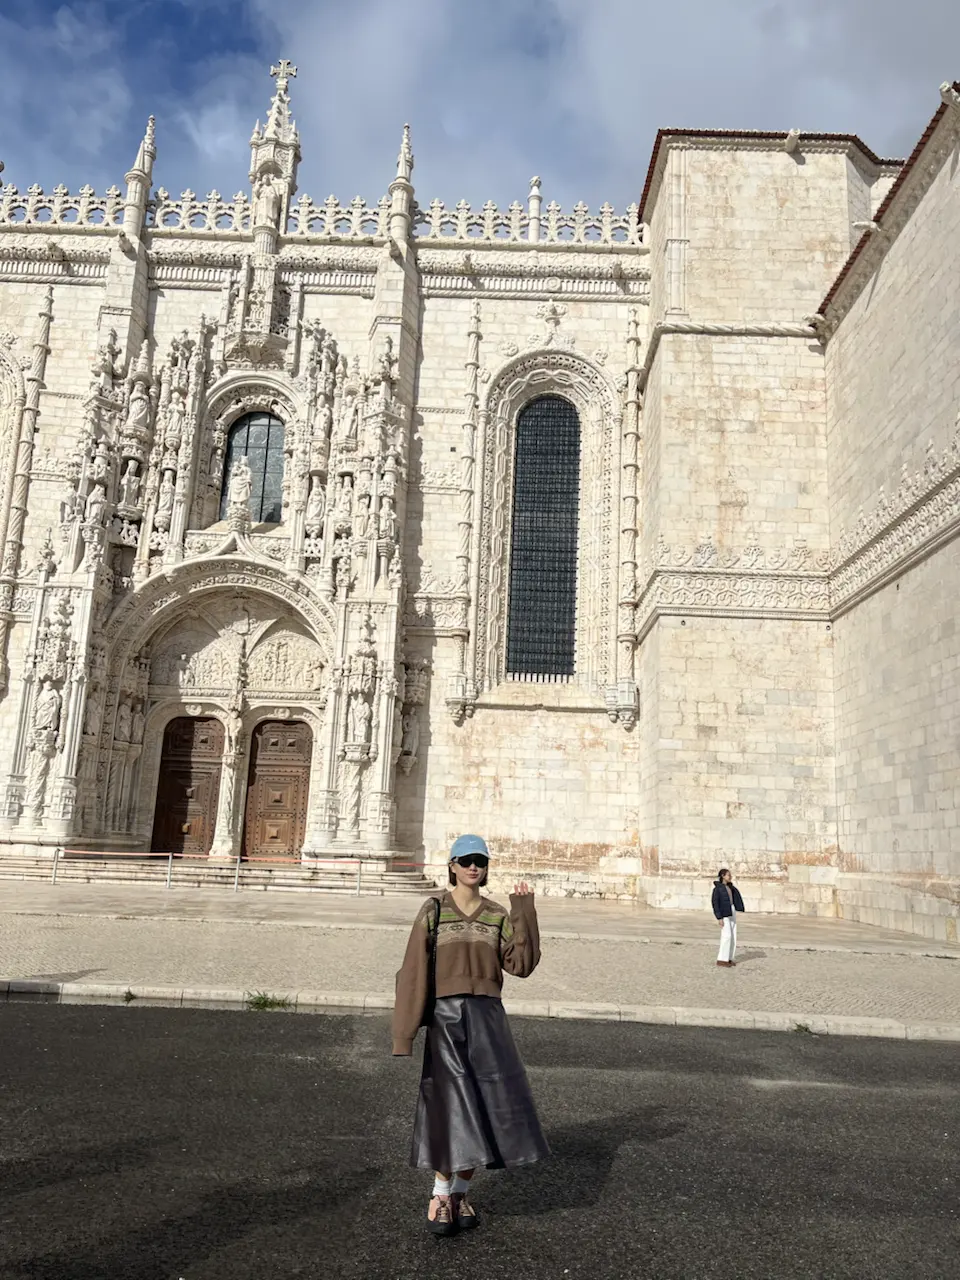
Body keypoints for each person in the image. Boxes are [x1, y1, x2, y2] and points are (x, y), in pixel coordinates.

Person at [392, 834, 549, 1237]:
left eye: (479, 860)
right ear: (452, 866)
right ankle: (439, 1194)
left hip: (487, 1017)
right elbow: (412, 971)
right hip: (447, 1019)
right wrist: (405, 1033)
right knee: (452, 1107)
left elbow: (520, 965)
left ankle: (461, 1193)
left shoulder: (497, 914)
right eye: (465, 860)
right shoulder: (433, 910)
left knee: (483, 1106)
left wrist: (524, 912)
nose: (473, 867)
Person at [712, 867, 745, 967]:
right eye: (728, 875)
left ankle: (730, 958)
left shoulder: (731, 888)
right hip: (724, 913)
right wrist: (719, 918)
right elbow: (715, 903)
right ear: (723, 876)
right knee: (727, 935)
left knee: (733, 935)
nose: (730, 877)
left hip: (732, 911)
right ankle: (722, 959)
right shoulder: (717, 889)